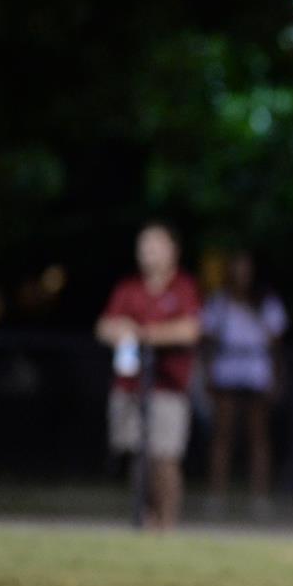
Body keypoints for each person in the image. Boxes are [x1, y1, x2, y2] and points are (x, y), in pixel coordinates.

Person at [95, 222, 202, 529]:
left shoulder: (183, 288)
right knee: (137, 455)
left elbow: (191, 329)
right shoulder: (129, 288)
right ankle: (145, 519)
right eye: (144, 245)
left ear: (173, 251)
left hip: (167, 385)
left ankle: (168, 522)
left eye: (155, 245)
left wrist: (144, 334)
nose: (148, 252)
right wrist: (119, 330)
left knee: (164, 456)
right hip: (129, 385)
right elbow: (104, 325)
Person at [201, 250, 288, 518]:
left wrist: (276, 377)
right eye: (236, 267)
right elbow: (208, 342)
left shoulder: (266, 302)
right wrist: (208, 376)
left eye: (246, 267)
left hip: (256, 374)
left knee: (258, 436)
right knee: (223, 435)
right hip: (227, 373)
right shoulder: (219, 302)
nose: (241, 273)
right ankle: (216, 496)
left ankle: (260, 496)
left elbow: (276, 344)